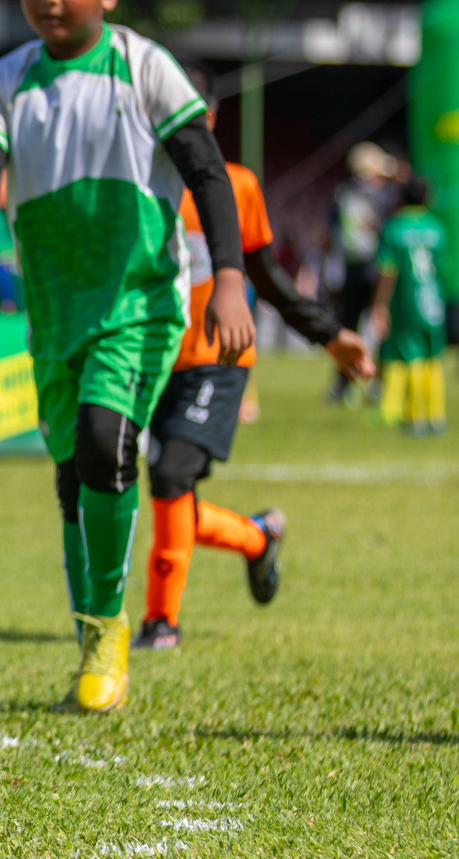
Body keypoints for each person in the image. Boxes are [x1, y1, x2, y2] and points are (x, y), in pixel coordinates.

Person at [0, 0, 256, 713]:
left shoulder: (145, 65)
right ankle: (89, 629)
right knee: (72, 481)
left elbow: (206, 171)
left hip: (143, 301)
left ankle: (108, 637)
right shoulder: (5, 80)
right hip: (54, 311)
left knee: (104, 441)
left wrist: (228, 277)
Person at [134, 62, 374, 650]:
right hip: (150, 360)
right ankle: (257, 537)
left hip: (216, 360)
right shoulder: (136, 186)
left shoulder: (235, 186)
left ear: (208, 117)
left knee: (169, 477)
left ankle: (160, 623)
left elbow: (265, 278)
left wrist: (329, 334)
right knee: (173, 497)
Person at [371, 177, 448, 435]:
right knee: (434, 357)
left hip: (406, 303)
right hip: (433, 302)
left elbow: (387, 271)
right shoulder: (438, 228)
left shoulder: (394, 228)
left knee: (411, 356)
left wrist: (380, 305)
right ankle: (436, 415)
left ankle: (416, 418)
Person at [327, 142, 398, 403]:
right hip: (378, 270)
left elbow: (330, 232)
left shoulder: (343, 192)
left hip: (350, 270)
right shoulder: (383, 195)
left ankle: (342, 384)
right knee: (381, 325)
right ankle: (380, 382)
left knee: (348, 328)